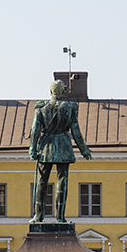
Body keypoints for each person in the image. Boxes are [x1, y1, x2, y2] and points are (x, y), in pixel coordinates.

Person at [28, 79, 93, 223]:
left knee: (41, 182)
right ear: (62, 91)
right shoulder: (70, 108)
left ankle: (38, 216)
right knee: (62, 181)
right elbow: (75, 130)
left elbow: (35, 130)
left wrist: (32, 148)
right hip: (63, 145)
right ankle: (60, 217)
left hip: (46, 146)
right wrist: (83, 149)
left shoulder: (41, 108)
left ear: (51, 91)